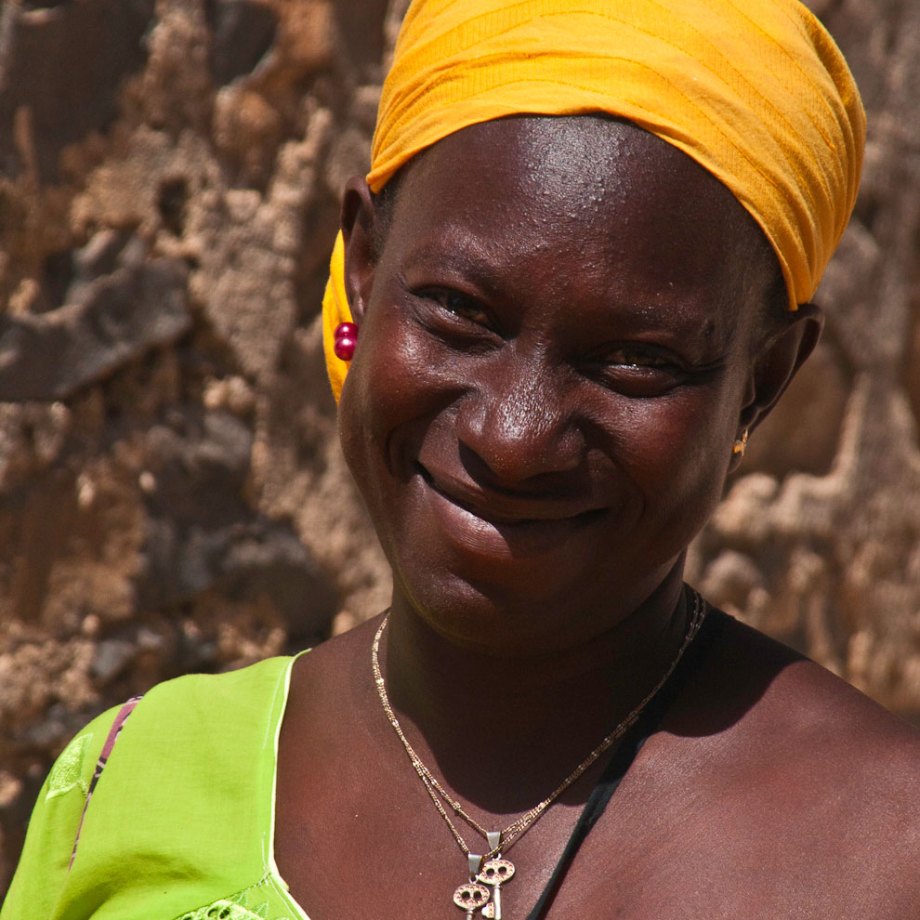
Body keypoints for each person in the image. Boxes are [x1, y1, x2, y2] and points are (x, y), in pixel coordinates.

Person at [4, 0, 919, 917]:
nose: (514, 439)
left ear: (762, 382)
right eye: (459, 311)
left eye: (638, 360)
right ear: (363, 264)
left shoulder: (884, 850)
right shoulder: (128, 786)